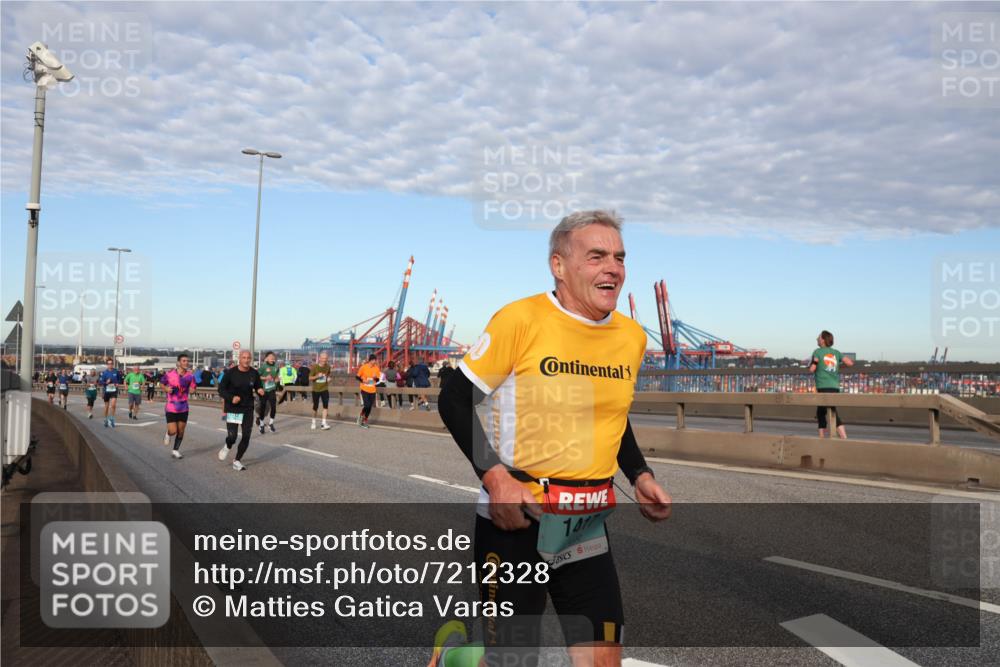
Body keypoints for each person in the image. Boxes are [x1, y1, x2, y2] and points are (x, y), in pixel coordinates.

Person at [431, 210, 672, 667]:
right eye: (596, 256)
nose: (613, 268)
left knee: (603, 661)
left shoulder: (631, 337)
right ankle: (455, 658)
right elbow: (455, 400)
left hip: (585, 525)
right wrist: (495, 478)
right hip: (517, 522)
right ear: (559, 266)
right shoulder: (521, 319)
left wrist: (639, 474)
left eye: (619, 257)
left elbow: (612, 415)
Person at [218, 349, 264, 471]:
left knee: (246, 436)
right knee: (232, 437)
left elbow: (258, 385)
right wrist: (231, 397)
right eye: (244, 357)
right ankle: (227, 446)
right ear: (240, 358)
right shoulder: (230, 373)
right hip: (233, 408)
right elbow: (221, 389)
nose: (246, 360)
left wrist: (259, 389)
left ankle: (237, 460)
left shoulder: (254, 373)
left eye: (248, 358)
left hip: (248, 408)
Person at [809, 330, 854, 439]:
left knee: (824, 413)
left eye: (819, 337)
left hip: (823, 386)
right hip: (834, 387)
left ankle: (829, 438)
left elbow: (812, 369)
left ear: (823, 340)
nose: (817, 339)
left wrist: (815, 362)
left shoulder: (818, 352)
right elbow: (850, 363)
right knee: (826, 411)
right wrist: (838, 366)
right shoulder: (836, 352)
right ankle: (839, 437)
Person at [160, 353, 198, 460]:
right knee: (173, 431)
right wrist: (166, 389)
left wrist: (193, 390)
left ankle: (175, 450)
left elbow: (193, 388)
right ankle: (168, 433)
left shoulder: (190, 376)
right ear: (178, 362)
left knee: (181, 431)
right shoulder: (170, 374)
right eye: (184, 361)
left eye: (187, 361)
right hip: (171, 406)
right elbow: (161, 383)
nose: (186, 363)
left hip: (183, 407)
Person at [257, 351, 280, 434]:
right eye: (270, 357)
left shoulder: (276, 367)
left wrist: (277, 379)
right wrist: (265, 378)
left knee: (273, 407)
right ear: (266, 358)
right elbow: (257, 377)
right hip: (263, 390)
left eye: (273, 357)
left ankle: (271, 423)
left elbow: (276, 377)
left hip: (271, 389)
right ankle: (262, 424)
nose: (272, 359)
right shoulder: (263, 367)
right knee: (263, 408)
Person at [356, 354, 380, 428]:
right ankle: (361, 416)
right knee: (367, 405)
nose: (374, 361)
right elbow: (357, 377)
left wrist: (375, 378)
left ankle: (364, 421)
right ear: (370, 360)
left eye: (375, 360)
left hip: (372, 389)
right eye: (373, 360)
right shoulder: (363, 367)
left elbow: (378, 380)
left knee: (370, 407)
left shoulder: (376, 368)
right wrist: (363, 381)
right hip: (364, 388)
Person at [98, 358, 124, 428]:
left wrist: (118, 383)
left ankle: (111, 419)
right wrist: (106, 382)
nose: (110, 365)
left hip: (114, 390)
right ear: (107, 365)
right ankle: (105, 419)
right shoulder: (104, 373)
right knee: (106, 407)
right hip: (106, 391)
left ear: (113, 364)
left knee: (113, 405)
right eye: (109, 364)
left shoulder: (116, 371)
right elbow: (100, 382)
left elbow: (120, 379)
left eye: (111, 364)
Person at [309, 353, 332, 430]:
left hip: (324, 389)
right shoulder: (315, 367)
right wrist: (317, 376)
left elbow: (328, 375)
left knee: (326, 406)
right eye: (323, 358)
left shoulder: (328, 367)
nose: (324, 360)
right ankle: (313, 421)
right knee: (315, 406)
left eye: (325, 358)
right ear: (319, 358)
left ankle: (323, 423)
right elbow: (310, 378)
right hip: (316, 390)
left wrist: (328, 379)